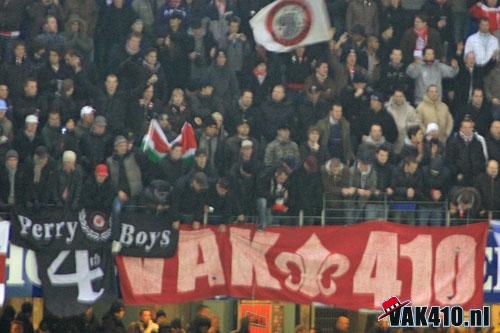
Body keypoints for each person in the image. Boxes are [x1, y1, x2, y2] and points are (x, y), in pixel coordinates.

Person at [445, 117, 487, 186]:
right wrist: (457, 173)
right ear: (460, 128)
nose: (467, 130)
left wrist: (479, 174)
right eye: (465, 127)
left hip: (475, 177)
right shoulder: (453, 142)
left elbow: (482, 160)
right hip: (459, 177)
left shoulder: (477, 143)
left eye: (469, 127)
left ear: (472, 128)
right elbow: (449, 161)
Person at [386, 89, 419, 154]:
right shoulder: (387, 109)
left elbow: (417, 123)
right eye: (396, 96)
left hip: (404, 142)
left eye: (400, 96)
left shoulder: (410, 109)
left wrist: (406, 125)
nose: (398, 98)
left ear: (404, 97)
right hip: (390, 141)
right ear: (393, 97)